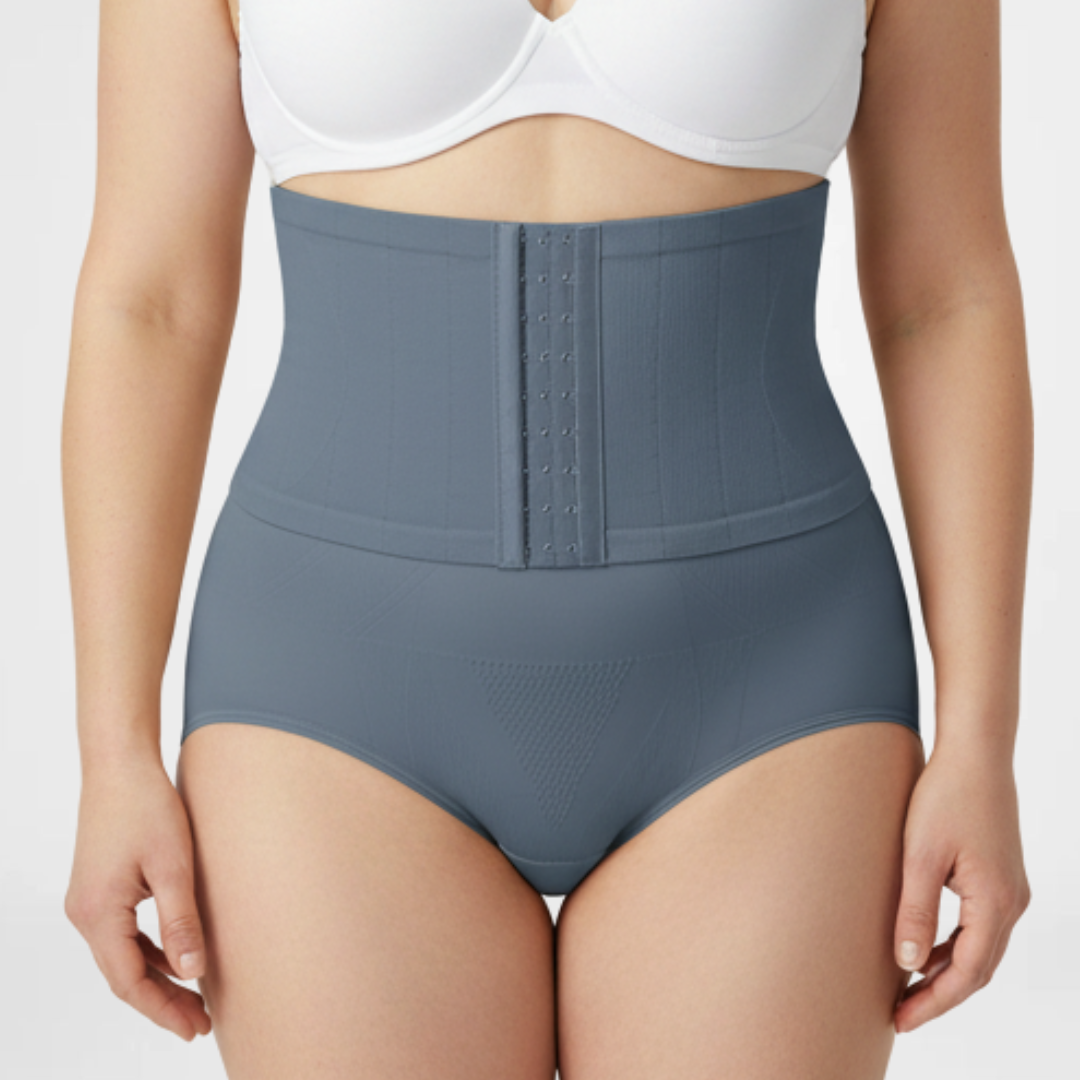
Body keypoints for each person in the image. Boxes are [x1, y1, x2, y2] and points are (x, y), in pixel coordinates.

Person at [61, 0, 1033, 1075]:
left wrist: (981, 739)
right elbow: (150, 303)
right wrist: (113, 752)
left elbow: (946, 297)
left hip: (777, 687)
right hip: (325, 694)